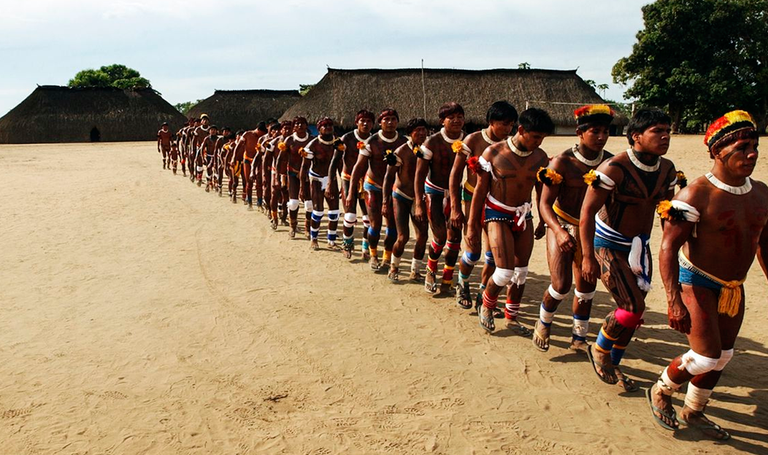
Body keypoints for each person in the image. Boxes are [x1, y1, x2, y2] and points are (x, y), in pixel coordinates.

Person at [648, 110, 768, 439]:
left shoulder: (761, 194)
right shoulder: (696, 194)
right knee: (704, 356)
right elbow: (668, 248)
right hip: (696, 280)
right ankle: (661, 389)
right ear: (718, 152)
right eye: (742, 148)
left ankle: (694, 410)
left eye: (754, 146)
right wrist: (673, 300)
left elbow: (764, 245)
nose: (752, 154)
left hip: (733, 287)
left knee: (724, 356)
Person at [580, 108, 678, 392]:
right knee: (631, 307)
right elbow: (587, 213)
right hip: (608, 243)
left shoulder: (667, 169)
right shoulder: (614, 168)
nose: (665, 137)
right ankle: (600, 351)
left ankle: (615, 360)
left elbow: (666, 212)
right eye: (657, 131)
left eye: (667, 131)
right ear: (636, 136)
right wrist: (588, 257)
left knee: (634, 314)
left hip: (639, 247)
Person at [533, 105, 615, 352]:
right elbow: (544, 204)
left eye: (605, 131)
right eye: (595, 131)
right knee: (561, 285)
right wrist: (558, 231)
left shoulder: (610, 163)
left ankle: (579, 337)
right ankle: (544, 321)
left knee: (587, 287)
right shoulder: (562, 162)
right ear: (580, 133)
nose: (601, 137)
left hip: (591, 230)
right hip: (562, 223)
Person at [467, 108, 552, 334]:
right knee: (504, 271)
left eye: (542, 138)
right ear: (521, 130)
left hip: (524, 214)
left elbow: (541, 191)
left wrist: (543, 220)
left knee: (520, 272)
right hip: (496, 213)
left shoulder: (541, 157)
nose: (538, 142)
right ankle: (486, 305)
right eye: (535, 137)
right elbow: (479, 192)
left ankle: (511, 317)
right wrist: (472, 227)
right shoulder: (493, 154)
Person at [450, 101, 518, 309]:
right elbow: (455, 175)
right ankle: (462, 282)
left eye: (511, 125)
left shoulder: (510, 144)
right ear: (491, 122)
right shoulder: (473, 140)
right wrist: (455, 207)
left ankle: (483, 292)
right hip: (472, 197)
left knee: (492, 254)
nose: (507, 129)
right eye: (504, 124)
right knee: (473, 250)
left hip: (495, 204)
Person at [414, 102, 467, 295]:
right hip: (433, 193)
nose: (456, 121)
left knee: (455, 239)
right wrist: (419, 203)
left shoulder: (468, 140)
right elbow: (419, 175)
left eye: (459, 117)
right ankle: (430, 270)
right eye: (451, 117)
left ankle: (447, 279)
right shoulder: (431, 142)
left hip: (455, 193)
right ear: (441, 121)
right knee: (440, 236)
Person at [345, 108, 407, 270]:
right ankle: (373, 255)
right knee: (376, 224)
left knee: (393, 226)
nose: (390, 122)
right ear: (380, 123)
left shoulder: (403, 142)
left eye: (393, 119)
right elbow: (358, 169)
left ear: (397, 122)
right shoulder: (372, 142)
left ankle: (387, 257)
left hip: (394, 189)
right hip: (372, 186)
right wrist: (351, 193)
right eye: (386, 120)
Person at [382, 118, 430, 282]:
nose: (422, 133)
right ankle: (394, 266)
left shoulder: (428, 150)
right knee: (403, 237)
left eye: (424, 130)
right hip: (401, 196)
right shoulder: (401, 151)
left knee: (423, 235)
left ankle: (415, 270)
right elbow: (388, 178)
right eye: (418, 130)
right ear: (410, 133)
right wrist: (385, 201)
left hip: (420, 197)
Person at [334, 110, 375, 259]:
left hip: (366, 181)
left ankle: (366, 247)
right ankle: (347, 244)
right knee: (350, 215)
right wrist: (331, 183)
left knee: (368, 218)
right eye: (362, 121)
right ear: (356, 122)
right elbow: (335, 161)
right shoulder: (346, 139)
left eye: (369, 121)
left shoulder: (374, 140)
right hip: (347, 178)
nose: (365, 124)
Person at [300, 117, 344, 250]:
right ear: (319, 129)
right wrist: (303, 187)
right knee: (318, 211)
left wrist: (343, 184)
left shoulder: (338, 143)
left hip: (332, 180)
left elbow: (340, 164)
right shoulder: (312, 145)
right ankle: (314, 238)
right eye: (324, 126)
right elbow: (304, 167)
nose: (328, 128)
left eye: (330, 125)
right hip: (316, 180)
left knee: (334, 212)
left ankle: (331, 241)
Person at [280, 117, 314, 238]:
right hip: (293, 174)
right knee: (293, 202)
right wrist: (281, 175)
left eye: (302, 123)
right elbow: (281, 158)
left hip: (308, 175)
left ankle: (307, 228)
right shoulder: (289, 140)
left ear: (306, 126)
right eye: (297, 124)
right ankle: (292, 226)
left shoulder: (312, 140)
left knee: (309, 204)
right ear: (294, 126)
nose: (300, 125)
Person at [270, 120, 294, 230]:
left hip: (289, 173)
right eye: (285, 128)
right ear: (281, 130)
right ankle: (274, 218)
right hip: (276, 171)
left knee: (287, 197)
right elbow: (265, 158)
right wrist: (266, 175)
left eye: (289, 129)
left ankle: (284, 217)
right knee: (274, 194)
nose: (287, 131)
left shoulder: (294, 142)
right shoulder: (274, 142)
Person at [237, 122, 268, 208]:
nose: (263, 135)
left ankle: (259, 203)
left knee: (259, 182)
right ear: (258, 130)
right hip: (247, 159)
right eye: (262, 133)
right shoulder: (247, 134)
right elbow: (238, 146)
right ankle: (249, 201)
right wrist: (233, 158)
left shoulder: (263, 138)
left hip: (258, 160)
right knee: (249, 181)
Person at [199, 124, 220, 192]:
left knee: (216, 170)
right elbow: (202, 149)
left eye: (214, 130)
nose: (213, 131)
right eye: (211, 130)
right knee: (209, 170)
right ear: (209, 131)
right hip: (208, 156)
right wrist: (203, 158)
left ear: (216, 131)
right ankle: (208, 184)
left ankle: (216, 184)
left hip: (216, 157)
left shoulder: (218, 139)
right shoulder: (207, 139)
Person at [192, 114, 211, 186]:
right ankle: (199, 178)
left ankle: (209, 180)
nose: (205, 121)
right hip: (199, 147)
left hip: (208, 149)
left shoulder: (211, 129)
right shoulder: (198, 130)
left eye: (206, 120)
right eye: (203, 120)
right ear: (201, 121)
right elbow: (194, 140)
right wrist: (192, 150)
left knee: (209, 164)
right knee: (199, 162)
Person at [229, 130, 246, 203]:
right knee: (235, 181)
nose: (240, 137)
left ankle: (244, 195)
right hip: (235, 164)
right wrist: (226, 165)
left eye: (242, 135)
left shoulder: (245, 144)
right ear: (236, 137)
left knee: (245, 180)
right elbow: (228, 155)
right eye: (239, 135)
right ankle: (234, 194)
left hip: (244, 163)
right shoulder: (233, 144)